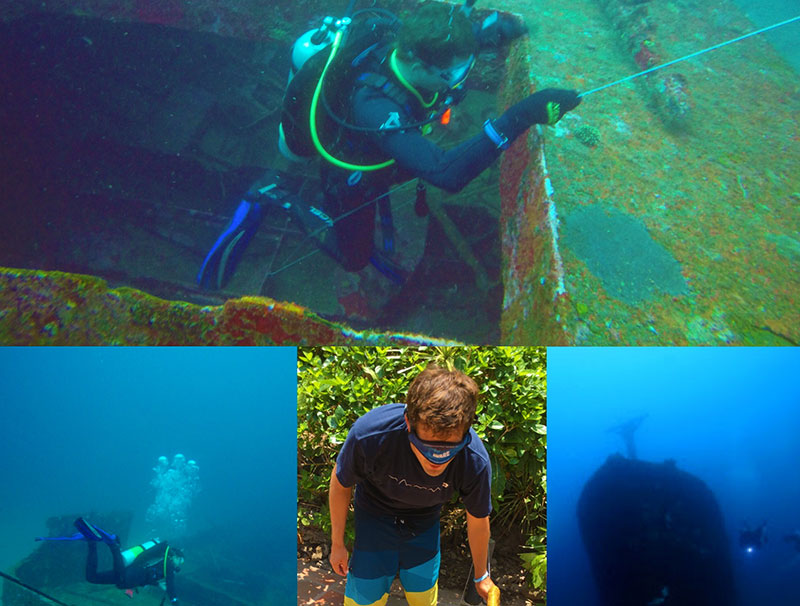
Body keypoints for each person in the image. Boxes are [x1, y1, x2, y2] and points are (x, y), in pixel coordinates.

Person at [197, 0, 580, 287]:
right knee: (354, 258)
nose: (457, 82)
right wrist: (520, 115)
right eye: (451, 74)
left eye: (462, 69)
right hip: (353, 174)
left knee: (401, 162)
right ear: (414, 61)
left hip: (391, 153)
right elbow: (446, 174)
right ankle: (276, 193)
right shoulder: (373, 105)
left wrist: (487, 36)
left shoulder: (422, 50)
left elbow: (452, 51)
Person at [328, 364, 495, 606]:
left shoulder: (474, 460)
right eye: (427, 447)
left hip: (425, 520)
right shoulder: (371, 435)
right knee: (364, 597)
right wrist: (337, 544)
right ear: (409, 423)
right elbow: (341, 483)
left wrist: (482, 575)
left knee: (423, 596)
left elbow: (478, 518)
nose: (436, 460)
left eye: (449, 449)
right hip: (375, 514)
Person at [74, 518, 183, 604]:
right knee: (115, 558)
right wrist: (175, 602)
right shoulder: (168, 564)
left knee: (91, 578)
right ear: (175, 557)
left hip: (126, 576)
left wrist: (158, 585)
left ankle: (91, 543)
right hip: (126, 577)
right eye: (180, 561)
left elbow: (148, 575)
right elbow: (171, 587)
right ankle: (114, 545)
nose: (179, 566)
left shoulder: (161, 564)